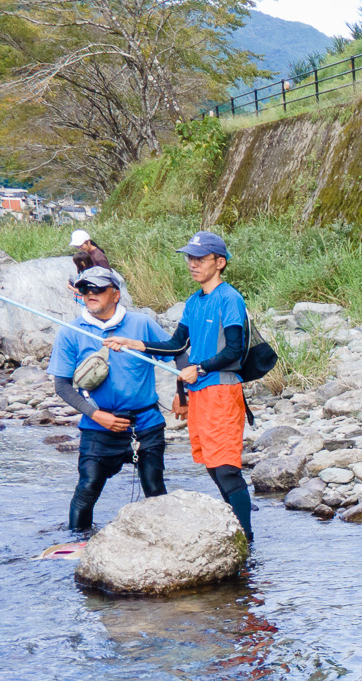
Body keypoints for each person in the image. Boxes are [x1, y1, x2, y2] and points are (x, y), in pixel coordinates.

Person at [52, 265, 179, 532]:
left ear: (116, 294)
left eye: (98, 289)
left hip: (145, 425)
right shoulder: (71, 332)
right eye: (85, 289)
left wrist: (183, 395)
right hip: (98, 426)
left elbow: (178, 355)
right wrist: (96, 414)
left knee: (155, 491)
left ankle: (165, 543)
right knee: (86, 491)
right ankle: (77, 543)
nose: (90, 294)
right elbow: (62, 386)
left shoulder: (142, 324)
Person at [171, 229, 256, 544]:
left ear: (219, 262)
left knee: (226, 469)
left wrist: (201, 368)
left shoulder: (230, 298)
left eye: (200, 258)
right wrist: (132, 342)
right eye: (189, 258)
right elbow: (175, 344)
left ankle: (246, 538)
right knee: (210, 465)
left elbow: (234, 350)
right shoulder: (194, 301)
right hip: (198, 394)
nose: (192, 264)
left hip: (222, 391)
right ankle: (234, 527)